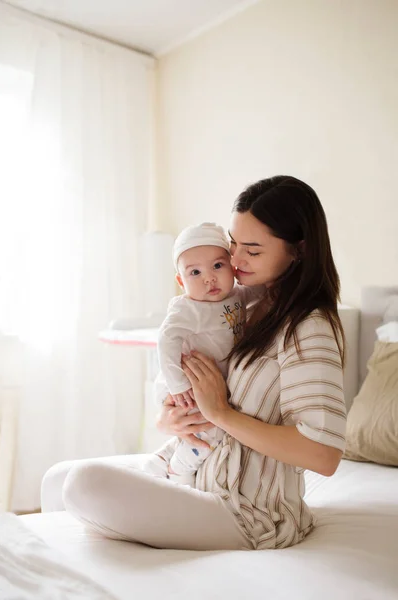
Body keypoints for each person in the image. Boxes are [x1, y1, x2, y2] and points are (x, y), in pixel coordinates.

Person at [44, 175, 346, 551]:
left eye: (252, 251)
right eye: (233, 244)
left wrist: (219, 413)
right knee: (57, 479)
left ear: (298, 250)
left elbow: (324, 454)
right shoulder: (243, 304)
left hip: (247, 510)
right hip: (201, 472)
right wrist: (172, 418)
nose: (234, 261)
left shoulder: (308, 327)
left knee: (83, 483)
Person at [148, 222, 258, 486]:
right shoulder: (189, 309)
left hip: (202, 383)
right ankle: (179, 469)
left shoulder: (236, 296)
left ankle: (162, 458)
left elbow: (263, 290)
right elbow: (166, 339)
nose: (209, 278)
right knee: (213, 431)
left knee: (201, 425)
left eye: (217, 266)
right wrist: (177, 384)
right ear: (180, 281)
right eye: (195, 272)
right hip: (184, 384)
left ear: (232, 266)